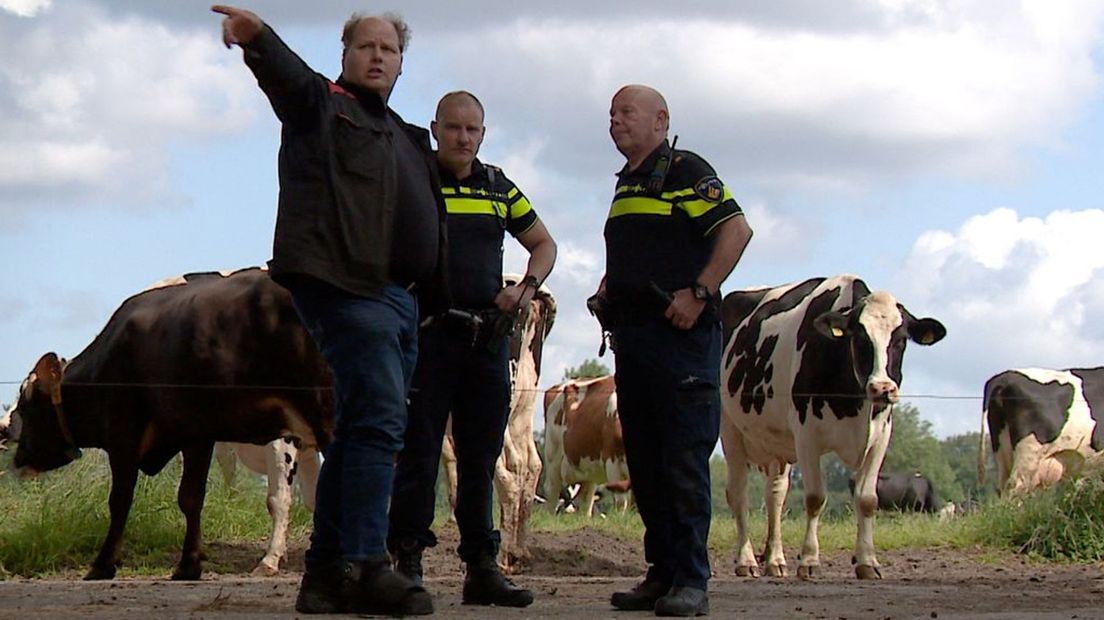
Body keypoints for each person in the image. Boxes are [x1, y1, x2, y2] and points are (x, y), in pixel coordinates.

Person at [212, 6, 448, 616]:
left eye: (389, 49)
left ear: (401, 62)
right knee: (376, 421)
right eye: (365, 46)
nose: (377, 56)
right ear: (344, 53)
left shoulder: (402, 132)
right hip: (347, 285)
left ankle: (321, 575)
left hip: (401, 298)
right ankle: (368, 563)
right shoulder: (323, 104)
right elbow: (287, 79)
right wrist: (257, 38)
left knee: (363, 428)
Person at [387, 90, 556, 608]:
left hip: (487, 340)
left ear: (483, 134)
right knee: (418, 455)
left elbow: (544, 245)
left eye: (473, 130)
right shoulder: (413, 180)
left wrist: (525, 287)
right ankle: (407, 564)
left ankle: (482, 568)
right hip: (428, 335)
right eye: (455, 128)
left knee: (481, 458)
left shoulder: (499, 187)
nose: (463, 138)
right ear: (436, 129)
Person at [593, 84, 753, 617]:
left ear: (660, 120)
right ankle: (661, 573)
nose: (616, 121)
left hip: (680, 342)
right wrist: (608, 288)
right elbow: (641, 252)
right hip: (634, 343)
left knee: (683, 461)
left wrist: (700, 292)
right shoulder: (630, 183)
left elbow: (736, 228)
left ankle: (691, 580)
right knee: (647, 462)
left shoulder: (685, 170)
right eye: (612, 113)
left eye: (627, 112)